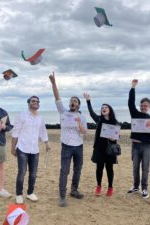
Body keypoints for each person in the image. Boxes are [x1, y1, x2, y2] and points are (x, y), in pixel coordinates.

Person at [49, 72, 87, 207]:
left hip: (79, 146)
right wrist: (54, 83)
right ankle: (62, 195)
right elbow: (57, 97)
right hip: (66, 146)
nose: (72, 102)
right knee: (64, 170)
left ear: (78, 105)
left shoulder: (81, 116)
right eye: (71, 100)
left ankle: (74, 190)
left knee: (78, 169)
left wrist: (79, 124)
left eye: (75, 101)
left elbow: (84, 132)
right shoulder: (63, 112)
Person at [11, 96, 51, 204]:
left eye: (37, 101)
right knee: (22, 172)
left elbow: (43, 131)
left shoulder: (40, 117)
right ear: (28, 103)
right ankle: (19, 194)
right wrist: (12, 148)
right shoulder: (21, 115)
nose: (36, 103)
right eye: (33, 101)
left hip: (35, 150)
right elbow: (15, 132)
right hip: (22, 148)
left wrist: (46, 143)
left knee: (33, 173)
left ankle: (30, 193)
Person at [83, 93, 119, 197]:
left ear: (109, 110)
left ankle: (110, 187)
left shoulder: (114, 121)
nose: (104, 108)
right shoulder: (99, 119)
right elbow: (91, 112)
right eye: (102, 108)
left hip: (110, 148)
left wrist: (114, 138)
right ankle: (98, 186)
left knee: (109, 168)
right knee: (99, 168)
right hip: (99, 148)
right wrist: (88, 101)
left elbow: (118, 135)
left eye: (106, 107)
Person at [127, 79, 150, 199]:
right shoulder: (135, 114)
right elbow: (130, 103)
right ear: (140, 106)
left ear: (149, 107)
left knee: (145, 169)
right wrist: (133, 87)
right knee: (135, 168)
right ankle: (135, 186)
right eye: (142, 105)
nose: (143, 107)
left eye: (146, 106)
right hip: (135, 145)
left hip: (146, 146)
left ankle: (144, 189)